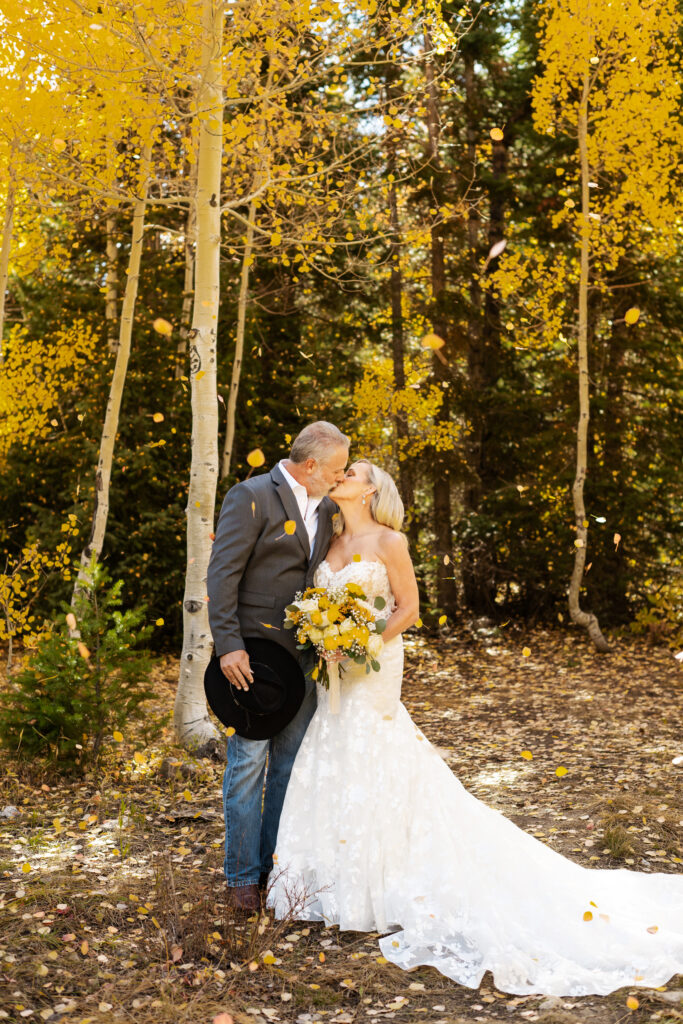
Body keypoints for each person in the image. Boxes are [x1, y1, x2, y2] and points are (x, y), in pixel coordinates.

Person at [268, 460, 683, 996]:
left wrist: (361, 643)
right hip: (332, 670)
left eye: (354, 470)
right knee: (332, 749)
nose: (342, 474)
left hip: (373, 665)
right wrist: (326, 640)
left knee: (376, 748)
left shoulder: (391, 542)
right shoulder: (327, 539)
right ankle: (333, 888)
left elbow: (410, 610)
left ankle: (388, 883)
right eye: (341, 469)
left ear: (370, 489)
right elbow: (317, 603)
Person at [206, 422, 349, 912]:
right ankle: (242, 879)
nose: (341, 476)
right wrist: (228, 646)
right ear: (311, 466)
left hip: (306, 661)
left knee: (289, 767)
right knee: (247, 765)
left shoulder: (330, 509)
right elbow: (221, 574)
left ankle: (273, 871)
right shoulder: (249, 497)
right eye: (336, 469)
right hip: (252, 661)